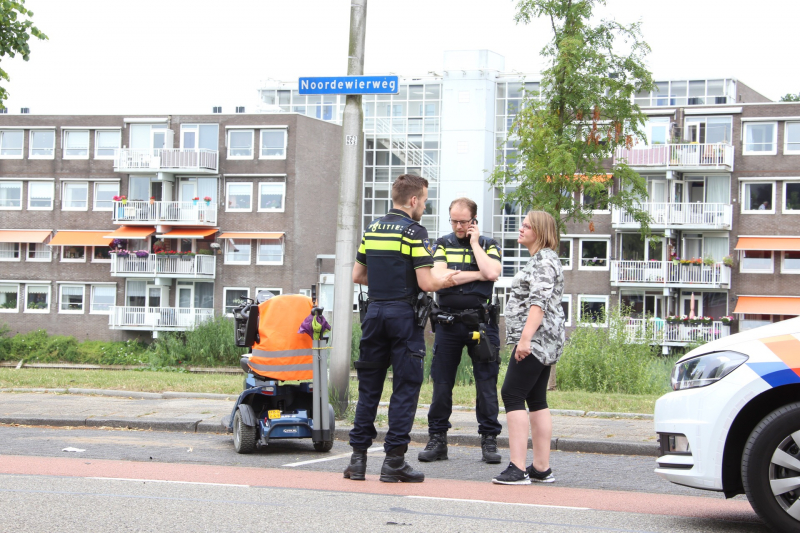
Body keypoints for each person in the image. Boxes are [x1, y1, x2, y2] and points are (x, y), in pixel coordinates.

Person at [345, 174, 457, 483]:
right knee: (405, 388)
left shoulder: (372, 229)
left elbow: (358, 275)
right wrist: (445, 280)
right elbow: (426, 282)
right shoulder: (414, 232)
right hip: (403, 317)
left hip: (373, 315)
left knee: (369, 389)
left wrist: (386, 281)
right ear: (413, 200)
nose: (425, 206)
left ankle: (357, 460)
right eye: (425, 201)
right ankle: (394, 462)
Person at [418, 198, 503, 464]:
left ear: (474, 221)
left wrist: (475, 245)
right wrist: (478, 275)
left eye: (463, 222)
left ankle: (489, 440)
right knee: (442, 384)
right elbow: (439, 278)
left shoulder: (489, 244)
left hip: (481, 323)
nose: (458, 226)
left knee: (486, 384)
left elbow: (493, 272)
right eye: (454, 221)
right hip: (448, 323)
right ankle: (437, 439)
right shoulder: (442, 243)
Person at [492, 210, 565, 485]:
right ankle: (541, 468)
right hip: (545, 339)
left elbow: (538, 304)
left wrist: (525, 340)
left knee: (512, 393)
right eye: (522, 225)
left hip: (537, 339)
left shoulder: (544, 261)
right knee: (536, 399)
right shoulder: (543, 259)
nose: (521, 229)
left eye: (527, 226)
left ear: (541, 232)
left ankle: (518, 467)